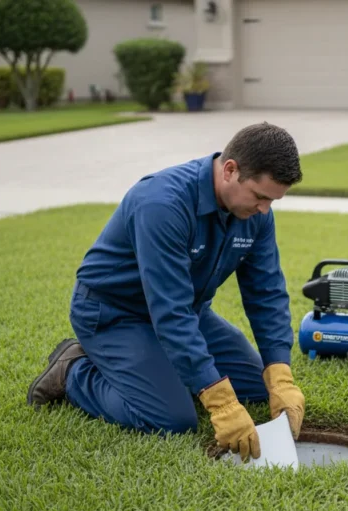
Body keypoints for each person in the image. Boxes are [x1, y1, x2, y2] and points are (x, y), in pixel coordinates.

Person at [26, 122, 306, 462]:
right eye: (260, 196)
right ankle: (73, 372)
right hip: (115, 314)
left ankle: (160, 370)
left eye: (273, 200)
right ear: (230, 170)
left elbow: (267, 292)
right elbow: (169, 311)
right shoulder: (162, 203)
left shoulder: (256, 214)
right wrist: (218, 400)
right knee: (171, 419)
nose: (264, 210)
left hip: (189, 313)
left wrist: (280, 372)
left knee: (259, 388)